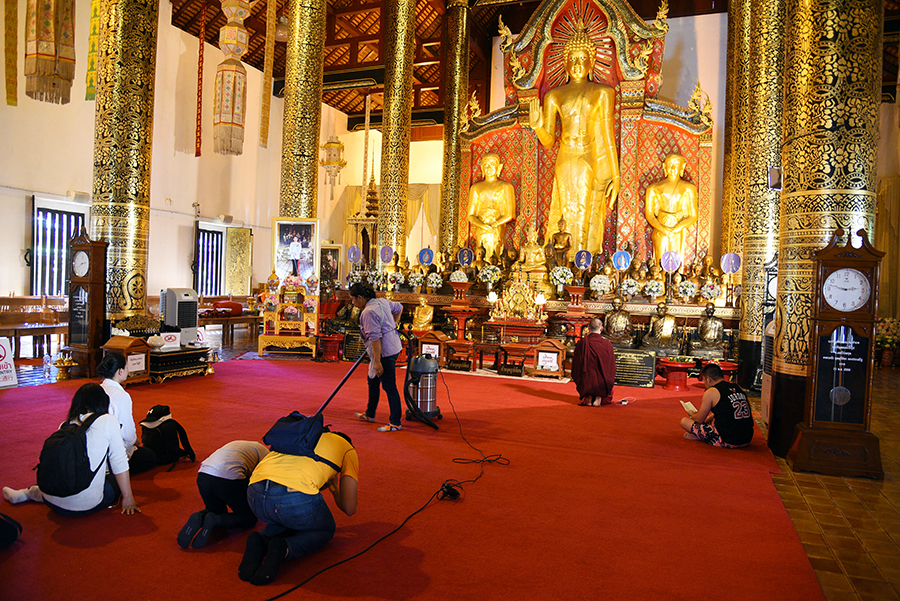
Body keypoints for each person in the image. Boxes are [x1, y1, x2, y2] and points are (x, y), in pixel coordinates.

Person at [528, 23, 620, 256]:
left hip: (588, 157)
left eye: (582, 58)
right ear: (564, 62)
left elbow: (608, 135)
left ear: (592, 62)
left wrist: (616, 175)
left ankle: (580, 265)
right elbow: (549, 141)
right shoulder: (553, 95)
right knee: (564, 212)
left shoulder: (603, 92)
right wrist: (538, 127)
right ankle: (562, 265)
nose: (577, 64)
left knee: (584, 211)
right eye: (573, 58)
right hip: (565, 156)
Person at [2, 383, 140, 516]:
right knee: (116, 479)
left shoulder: (66, 424)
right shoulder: (108, 421)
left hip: (51, 498)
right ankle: (34, 493)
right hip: (85, 505)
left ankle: (29, 493)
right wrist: (128, 497)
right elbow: (119, 462)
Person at [241, 430, 358, 585]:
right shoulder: (347, 449)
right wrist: (334, 487)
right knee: (325, 528)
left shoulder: (302, 436)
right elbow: (349, 508)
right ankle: (285, 548)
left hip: (254, 494)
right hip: (291, 499)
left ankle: (261, 539)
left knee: (284, 514)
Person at [177, 440, 270, 549]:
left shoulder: (248, 446)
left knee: (216, 510)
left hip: (203, 475)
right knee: (249, 517)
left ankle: (200, 516)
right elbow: (259, 483)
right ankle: (215, 521)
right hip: (228, 478)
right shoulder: (267, 457)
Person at [349, 283, 405, 432]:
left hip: (385, 351)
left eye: (353, 300)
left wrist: (378, 362)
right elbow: (399, 307)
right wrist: (393, 324)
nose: (353, 303)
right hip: (392, 345)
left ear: (360, 298)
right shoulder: (382, 301)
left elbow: (375, 338)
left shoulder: (368, 312)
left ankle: (395, 422)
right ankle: (370, 413)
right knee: (373, 380)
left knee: (388, 385)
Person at [98, 352, 158, 474]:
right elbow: (128, 434)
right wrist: (136, 443)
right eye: (126, 367)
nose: (128, 370)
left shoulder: (97, 390)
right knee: (150, 457)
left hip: (96, 447)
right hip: (112, 449)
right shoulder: (121, 396)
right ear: (120, 371)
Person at [680, 363, 754, 448]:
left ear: (708, 379)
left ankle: (700, 436)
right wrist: (710, 417)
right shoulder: (737, 387)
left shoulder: (712, 391)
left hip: (728, 440)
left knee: (684, 421)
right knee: (712, 420)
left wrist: (692, 414)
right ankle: (701, 434)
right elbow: (729, 409)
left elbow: (699, 420)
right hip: (747, 438)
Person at [644, 153, 699, 263]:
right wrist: (664, 229)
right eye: (670, 164)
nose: (673, 168)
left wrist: (676, 229)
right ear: (664, 167)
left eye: (676, 164)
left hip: (678, 230)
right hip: (660, 229)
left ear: (682, 167)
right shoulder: (654, 188)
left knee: (675, 264)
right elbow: (649, 215)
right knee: (660, 264)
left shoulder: (689, 188)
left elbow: (693, 216)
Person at [467, 152, 517, 262]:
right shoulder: (476, 188)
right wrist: (483, 225)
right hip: (481, 228)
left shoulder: (505, 187)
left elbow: (509, 214)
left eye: (492, 164)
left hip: (497, 228)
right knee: (481, 255)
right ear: (482, 168)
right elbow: (470, 215)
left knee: (496, 254)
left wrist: (495, 224)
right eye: (486, 165)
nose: (489, 168)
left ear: (499, 167)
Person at [571, 318, 616, 406]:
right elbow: (611, 366)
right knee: (603, 371)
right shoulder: (607, 344)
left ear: (588, 327)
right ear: (601, 328)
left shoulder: (582, 343)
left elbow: (576, 364)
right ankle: (598, 398)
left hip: (587, 377)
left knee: (588, 371)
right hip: (601, 380)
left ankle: (588, 398)